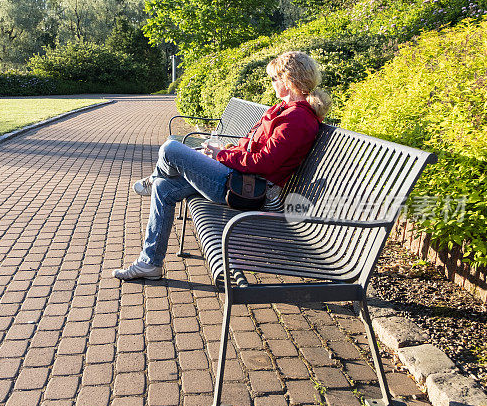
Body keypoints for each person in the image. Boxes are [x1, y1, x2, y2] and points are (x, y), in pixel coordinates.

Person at [113, 51, 332, 280]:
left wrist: (221, 156)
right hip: (238, 177)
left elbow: (264, 164)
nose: (272, 84)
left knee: (170, 149)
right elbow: (250, 148)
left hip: (249, 190)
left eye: (274, 79)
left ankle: (155, 177)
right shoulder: (283, 110)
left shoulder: (297, 119)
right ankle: (150, 263)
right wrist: (222, 152)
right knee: (164, 189)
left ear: (289, 81)